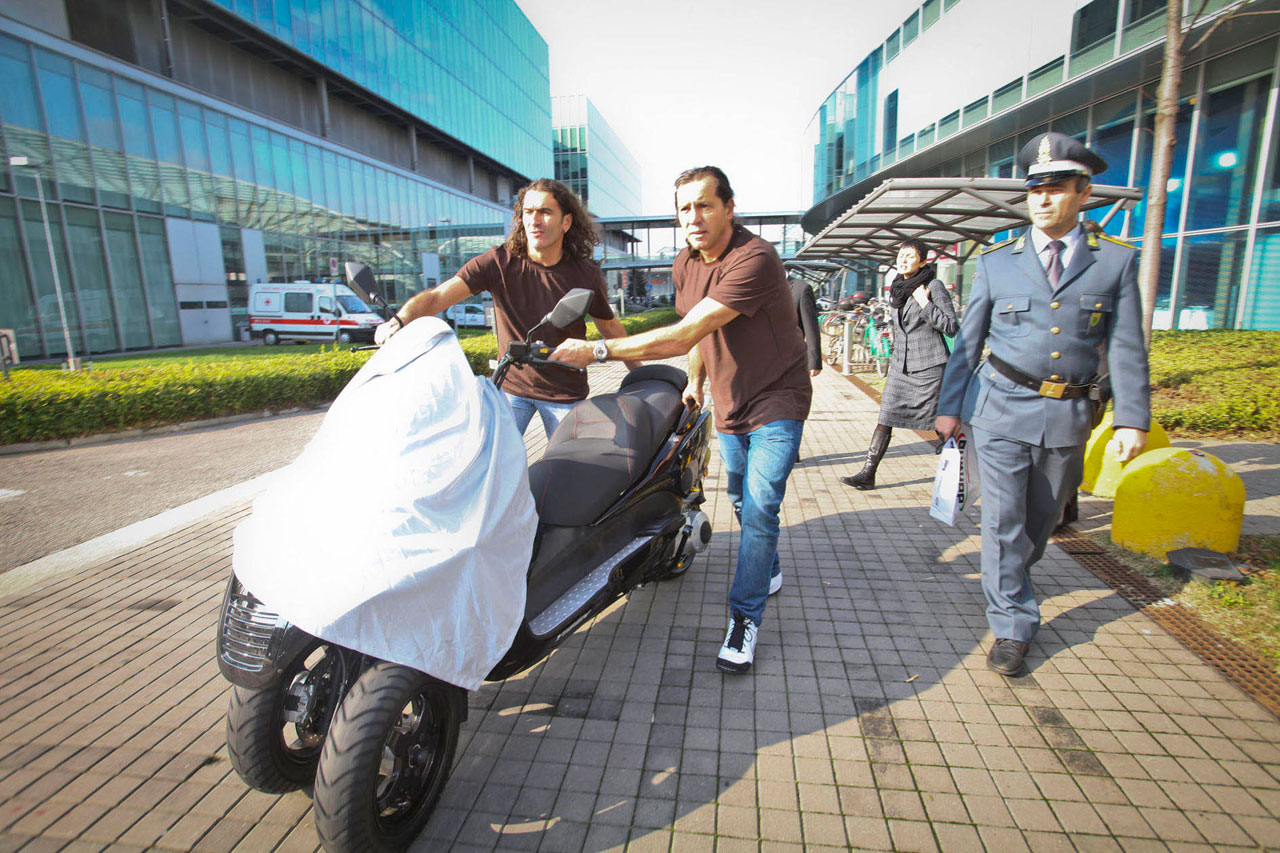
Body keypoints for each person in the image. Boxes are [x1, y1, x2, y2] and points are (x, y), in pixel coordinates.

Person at [549, 166, 811, 674]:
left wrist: (598, 349)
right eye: (684, 207)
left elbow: (683, 330)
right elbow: (698, 337)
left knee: (758, 509)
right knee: (738, 497)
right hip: (731, 401)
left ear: (729, 208)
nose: (694, 216)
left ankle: (744, 618)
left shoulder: (754, 258)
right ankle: (768, 565)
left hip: (779, 399)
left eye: (705, 205)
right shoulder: (684, 263)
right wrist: (694, 380)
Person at [935, 132, 1150, 676]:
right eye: (1035, 190)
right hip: (1000, 408)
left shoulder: (1115, 264)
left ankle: (1010, 580)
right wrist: (949, 406)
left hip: (1070, 414)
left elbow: (1126, 345)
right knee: (1003, 520)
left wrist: (1131, 416)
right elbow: (967, 342)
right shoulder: (997, 262)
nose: (1044, 200)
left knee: (1041, 520)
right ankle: (1011, 624)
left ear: (1083, 192)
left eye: (1057, 189)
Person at [374, 178, 639, 437]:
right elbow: (436, 297)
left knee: (571, 472)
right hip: (511, 389)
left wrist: (640, 373)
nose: (535, 220)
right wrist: (399, 320)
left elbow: (609, 326)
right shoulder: (498, 263)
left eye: (545, 212)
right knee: (490, 468)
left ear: (566, 222)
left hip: (564, 393)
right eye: (528, 212)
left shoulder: (585, 273)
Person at [839, 239, 958, 490]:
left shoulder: (932, 286)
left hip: (929, 366)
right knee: (886, 416)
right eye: (901, 255)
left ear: (923, 261)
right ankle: (868, 473)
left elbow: (950, 325)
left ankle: (964, 466)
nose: (903, 259)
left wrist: (925, 303)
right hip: (900, 366)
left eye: (910, 256)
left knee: (936, 423)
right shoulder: (897, 287)